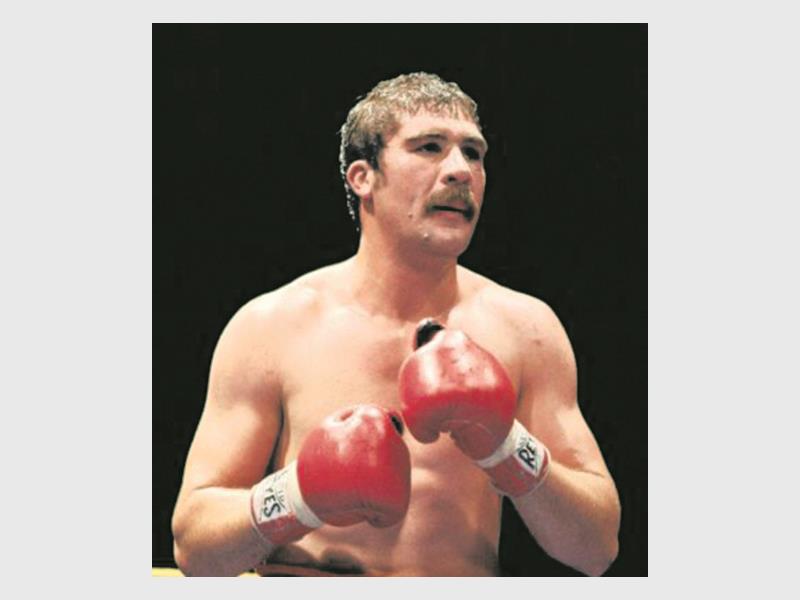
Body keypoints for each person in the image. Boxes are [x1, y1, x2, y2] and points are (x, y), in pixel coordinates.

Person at [171, 72, 621, 577]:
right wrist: (299, 495)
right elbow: (194, 549)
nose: (460, 170)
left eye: (473, 153)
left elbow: (596, 548)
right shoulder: (272, 328)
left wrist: (506, 448)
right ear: (363, 177)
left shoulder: (525, 330)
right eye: (429, 147)